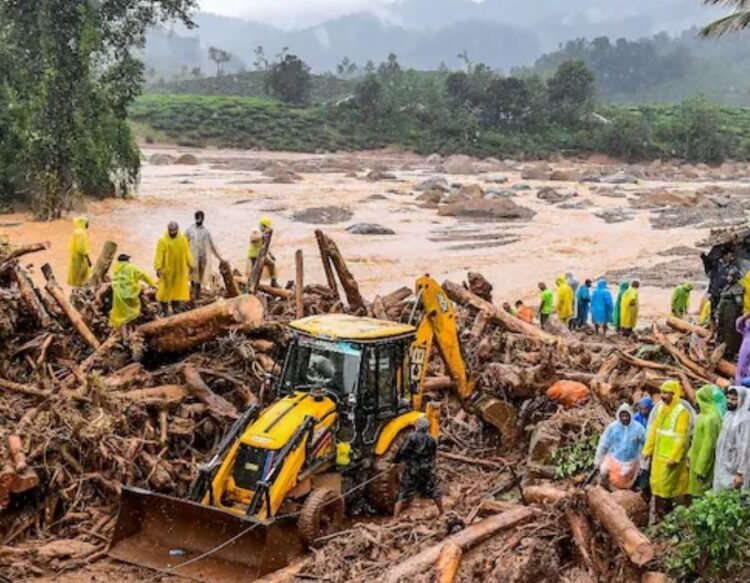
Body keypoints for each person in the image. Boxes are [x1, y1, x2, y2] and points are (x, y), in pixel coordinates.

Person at [642, 380, 691, 520]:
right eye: (661, 392)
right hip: (658, 456)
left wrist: (675, 457)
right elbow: (653, 431)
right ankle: (659, 516)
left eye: (666, 393)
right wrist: (647, 450)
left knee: (667, 486)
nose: (662, 396)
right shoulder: (660, 409)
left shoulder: (682, 412)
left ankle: (669, 516)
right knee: (656, 484)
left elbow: (681, 438)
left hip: (671, 458)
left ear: (674, 394)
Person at [393, 417, 443, 517]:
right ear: (427, 428)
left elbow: (403, 451)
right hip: (427, 470)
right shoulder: (432, 440)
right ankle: (442, 512)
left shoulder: (411, 437)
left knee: (403, 492)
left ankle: (395, 517)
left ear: (417, 427)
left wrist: (397, 461)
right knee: (434, 491)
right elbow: (433, 455)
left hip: (412, 470)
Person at [595, 404, 646, 490]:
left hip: (631, 461)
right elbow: (604, 444)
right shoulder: (613, 427)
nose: (625, 418)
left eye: (627, 416)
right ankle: (605, 489)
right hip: (615, 458)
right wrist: (598, 460)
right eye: (622, 416)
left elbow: (645, 445)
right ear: (618, 416)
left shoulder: (638, 428)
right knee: (604, 472)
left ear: (630, 415)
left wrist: (644, 464)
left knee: (627, 484)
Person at [109, 254, 156, 340]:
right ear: (127, 261)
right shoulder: (131, 267)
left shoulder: (115, 268)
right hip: (130, 293)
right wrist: (153, 284)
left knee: (121, 317)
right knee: (131, 314)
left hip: (118, 295)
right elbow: (143, 275)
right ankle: (130, 335)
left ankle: (122, 336)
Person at [687, 385, 722, 498]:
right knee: (694, 493)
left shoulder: (712, 418)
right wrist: (690, 454)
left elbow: (709, 445)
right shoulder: (702, 415)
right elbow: (696, 438)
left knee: (701, 495)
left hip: (703, 466)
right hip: (695, 460)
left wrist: (701, 469)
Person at [713, 386, 750, 491]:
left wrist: (740, 472)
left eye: (734, 399)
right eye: (728, 398)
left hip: (735, 467)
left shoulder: (745, 420)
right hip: (724, 463)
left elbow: (745, 448)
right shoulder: (728, 415)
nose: (729, 401)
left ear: (742, 400)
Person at [154, 222, 193, 315]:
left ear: (177, 230)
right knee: (164, 292)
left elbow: (187, 252)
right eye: (171, 231)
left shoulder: (183, 239)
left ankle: (176, 309)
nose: (172, 232)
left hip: (179, 270)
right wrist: (158, 268)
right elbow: (158, 255)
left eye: (174, 231)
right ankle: (164, 309)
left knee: (177, 292)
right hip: (167, 271)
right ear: (168, 230)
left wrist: (190, 264)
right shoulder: (163, 240)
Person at [185, 210, 223, 300]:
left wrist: (220, 257)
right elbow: (183, 242)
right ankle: (192, 295)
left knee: (199, 278)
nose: (200, 220)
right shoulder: (190, 230)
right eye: (198, 218)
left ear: (203, 219)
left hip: (203, 258)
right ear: (195, 218)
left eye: (201, 218)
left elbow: (212, 245)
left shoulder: (206, 232)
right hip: (192, 257)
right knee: (192, 277)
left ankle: (196, 295)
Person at [716, 270, 743, 359]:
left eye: (731, 276)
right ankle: (722, 349)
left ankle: (730, 352)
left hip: (731, 316)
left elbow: (739, 303)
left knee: (731, 335)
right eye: (728, 276)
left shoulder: (738, 288)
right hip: (723, 315)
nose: (728, 278)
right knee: (722, 332)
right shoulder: (727, 287)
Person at [247, 217, 279, 288]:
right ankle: (251, 284)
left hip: (261, 255)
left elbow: (265, 245)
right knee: (254, 270)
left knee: (271, 264)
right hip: (254, 255)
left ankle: (273, 282)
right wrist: (262, 235)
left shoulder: (265, 234)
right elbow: (252, 238)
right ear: (263, 225)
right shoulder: (256, 231)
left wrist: (271, 255)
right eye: (266, 227)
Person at [67, 216, 92, 287]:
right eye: (87, 223)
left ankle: (75, 291)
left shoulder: (76, 231)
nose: (88, 225)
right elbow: (82, 248)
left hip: (74, 257)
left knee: (75, 276)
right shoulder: (81, 233)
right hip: (80, 259)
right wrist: (88, 259)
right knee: (81, 277)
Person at [735, 313, 750, 386]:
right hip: (745, 350)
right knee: (741, 369)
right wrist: (745, 317)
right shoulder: (748, 325)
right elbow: (739, 326)